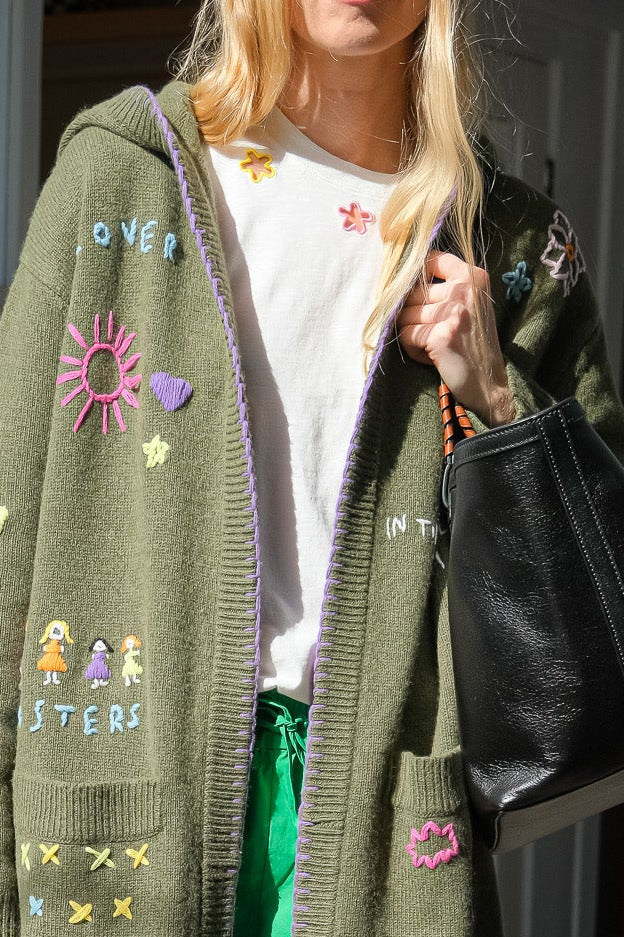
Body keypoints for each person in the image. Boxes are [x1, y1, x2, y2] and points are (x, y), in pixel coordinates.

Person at [1, 0, 623, 935]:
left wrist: (499, 396)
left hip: (384, 840)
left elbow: (603, 583)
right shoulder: (122, 183)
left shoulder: (518, 248)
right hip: (129, 831)